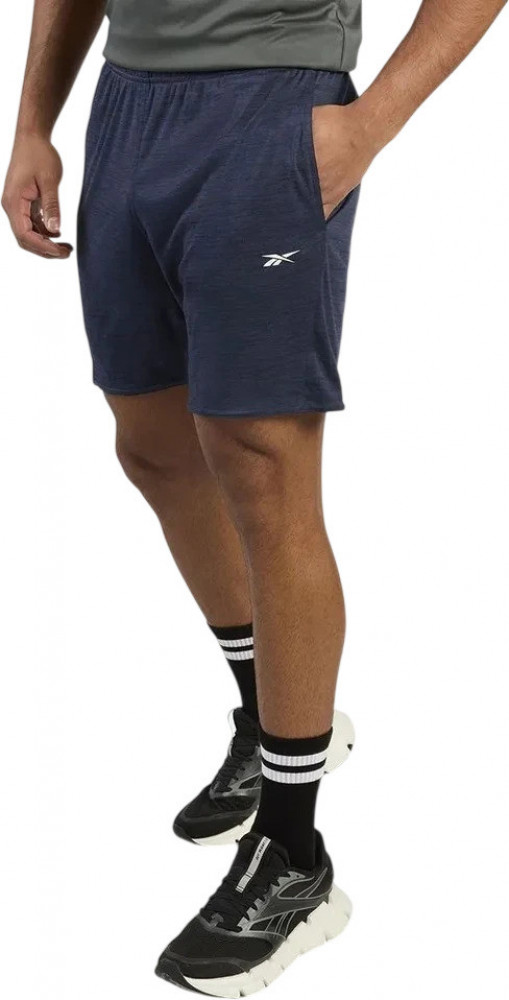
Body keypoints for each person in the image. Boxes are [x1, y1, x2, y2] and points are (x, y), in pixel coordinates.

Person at [2, 0, 506, 994]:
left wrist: (367, 126)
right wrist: (33, 124)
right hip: (128, 108)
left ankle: (293, 852)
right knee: (151, 447)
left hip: (270, 110)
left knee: (263, 469)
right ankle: (263, 715)